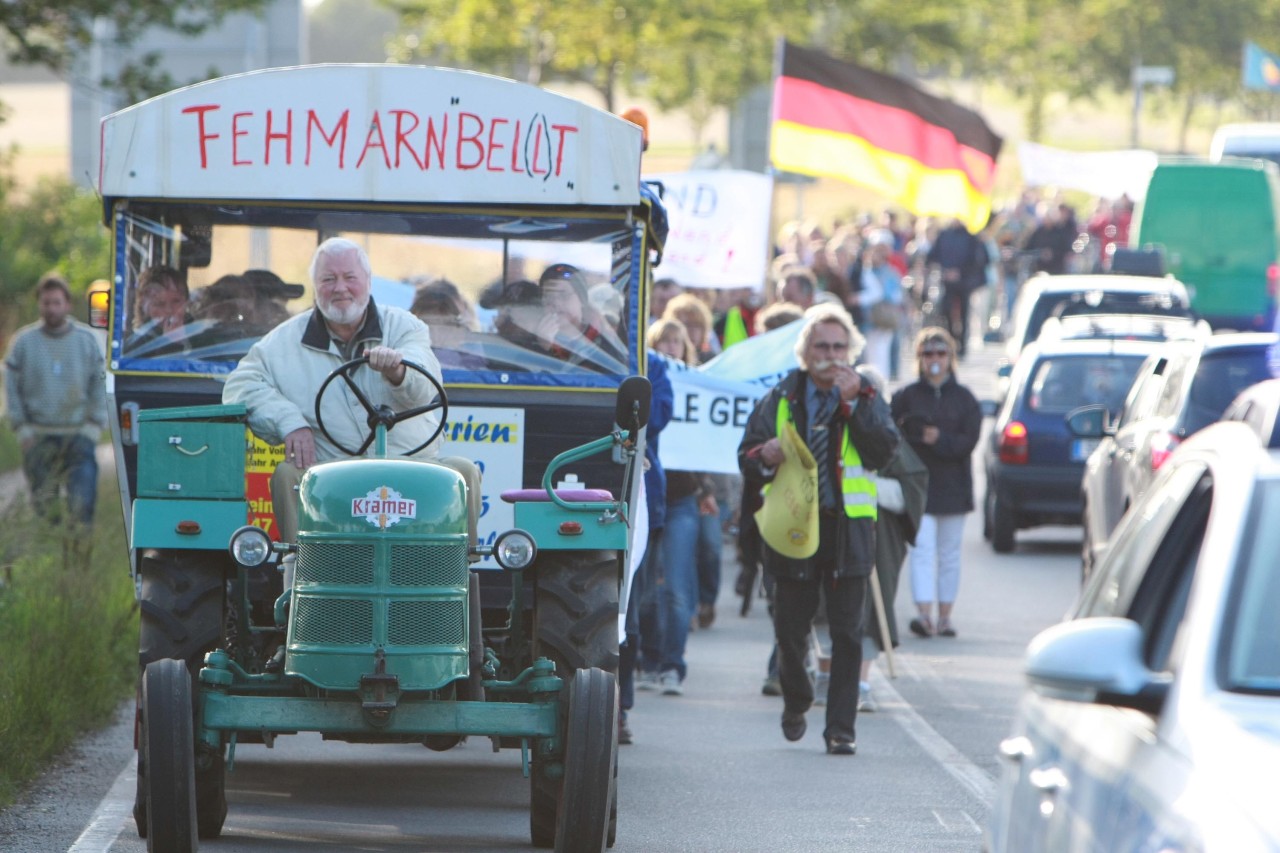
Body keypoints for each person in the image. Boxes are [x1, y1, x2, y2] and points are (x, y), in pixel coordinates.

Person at [223, 237, 478, 548]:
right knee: (288, 475)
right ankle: (299, 573)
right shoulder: (283, 341)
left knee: (464, 472)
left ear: (368, 282)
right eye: (328, 279)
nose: (340, 288)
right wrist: (289, 421)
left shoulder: (404, 327)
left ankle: (457, 578)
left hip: (411, 466)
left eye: (350, 278)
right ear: (315, 286)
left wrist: (398, 370)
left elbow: (425, 381)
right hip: (333, 476)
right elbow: (239, 387)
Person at [738, 304, 900, 755]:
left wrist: (854, 406)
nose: (830, 355)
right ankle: (797, 698)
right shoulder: (782, 396)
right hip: (792, 530)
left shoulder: (865, 395)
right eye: (821, 347)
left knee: (848, 633)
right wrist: (763, 455)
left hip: (848, 531)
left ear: (850, 352)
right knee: (790, 629)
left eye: (838, 347)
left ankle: (840, 730)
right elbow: (746, 456)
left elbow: (884, 451)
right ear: (805, 353)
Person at [889, 328, 982, 639]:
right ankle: (924, 614)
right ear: (919, 358)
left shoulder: (964, 399)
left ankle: (945, 616)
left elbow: (968, 441)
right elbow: (892, 436)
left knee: (950, 552)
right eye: (928, 353)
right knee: (922, 549)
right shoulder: (907, 397)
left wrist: (939, 439)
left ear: (950, 358)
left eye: (941, 354)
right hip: (919, 487)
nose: (935, 360)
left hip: (954, 486)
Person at [648, 319, 718, 695]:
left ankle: (673, 664)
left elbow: (705, 446)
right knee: (645, 591)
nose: (671, 347)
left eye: (677, 340)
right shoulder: (651, 380)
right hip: (648, 494)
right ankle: (648, 658)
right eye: (664, 341)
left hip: (681, 501)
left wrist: (705, 488)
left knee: (675, 587)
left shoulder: (695, 387)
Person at [853, 367, 929, 713]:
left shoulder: (890, 437)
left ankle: (861, 682)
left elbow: (910, 491)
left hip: (878, 538)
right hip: (835, 533)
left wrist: (871, 488)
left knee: (871, 608)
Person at [4, 273, 106, 526]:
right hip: (38, 437)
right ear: (39, 304)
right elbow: (10, 384)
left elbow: (100, 382)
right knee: (45, 510)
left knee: (82, 508)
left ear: (67, 304)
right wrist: (22, 429)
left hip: (78, 437)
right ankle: (52, 557)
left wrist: (93, 427)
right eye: (46, 302)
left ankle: (78, 560)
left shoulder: (86, 340)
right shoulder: (24, 342)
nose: (51, 308)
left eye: (56, 302)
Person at [617, 342, 673, 744]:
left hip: (633, 493)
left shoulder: (648, 362)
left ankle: (617, 707)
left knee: (627, 611)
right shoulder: (566, 354)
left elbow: (660, 412)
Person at [535, 263, 627, 371]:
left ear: (582, 300)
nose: (555, 303)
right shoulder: (531, 342)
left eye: (563, 295)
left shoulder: (605, 346)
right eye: (548, 297)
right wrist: (542, 348)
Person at [925, 220, 988, 357]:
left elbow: (977, 260)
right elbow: (932, 257)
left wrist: (960, 272)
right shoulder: (944, 235)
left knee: (964, 314)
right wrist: (944, 271)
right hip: (946, 283)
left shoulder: (970, 238)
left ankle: (962, 345)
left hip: (964, 282)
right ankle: (950, 341)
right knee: (946, 312)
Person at [125, 265, 193, 355]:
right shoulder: (136, 347)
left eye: (176, 301)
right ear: (145, 308)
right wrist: (170, 345)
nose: (169, 310)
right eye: (160, 304)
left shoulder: (199, 332)